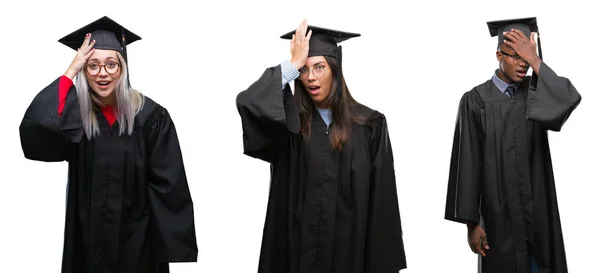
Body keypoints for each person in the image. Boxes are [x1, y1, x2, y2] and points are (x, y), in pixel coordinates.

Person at [19, 16, 198, 273]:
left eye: (111, 65)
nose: (103, 73)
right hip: (87, 237)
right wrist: (70, 71)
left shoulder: (150, 117)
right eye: (92, 66)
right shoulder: (76, 118)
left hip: (137, 240)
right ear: (84, 71)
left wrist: (165, 245)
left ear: (123, 69)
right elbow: (38, 128)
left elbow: (169, 185)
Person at [236, 20, 407, 273]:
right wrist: (291, 65)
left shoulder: (369, 125)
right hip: (296, 256)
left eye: (319, 67)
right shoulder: (289, 126)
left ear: (335, 70)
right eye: (304, 70)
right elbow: (249, 102)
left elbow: (383, 203)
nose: (311, 77)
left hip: (350, 256)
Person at [444, 17, 581, 273]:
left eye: (526, 58)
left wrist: (536, 60)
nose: (522, 65)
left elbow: (569, 99)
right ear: (498, 54)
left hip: (539, 215)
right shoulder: (475, 101)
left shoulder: (537, 93)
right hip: (498, 219)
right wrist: (471, 225)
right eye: (515, 56)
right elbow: (468, 164)